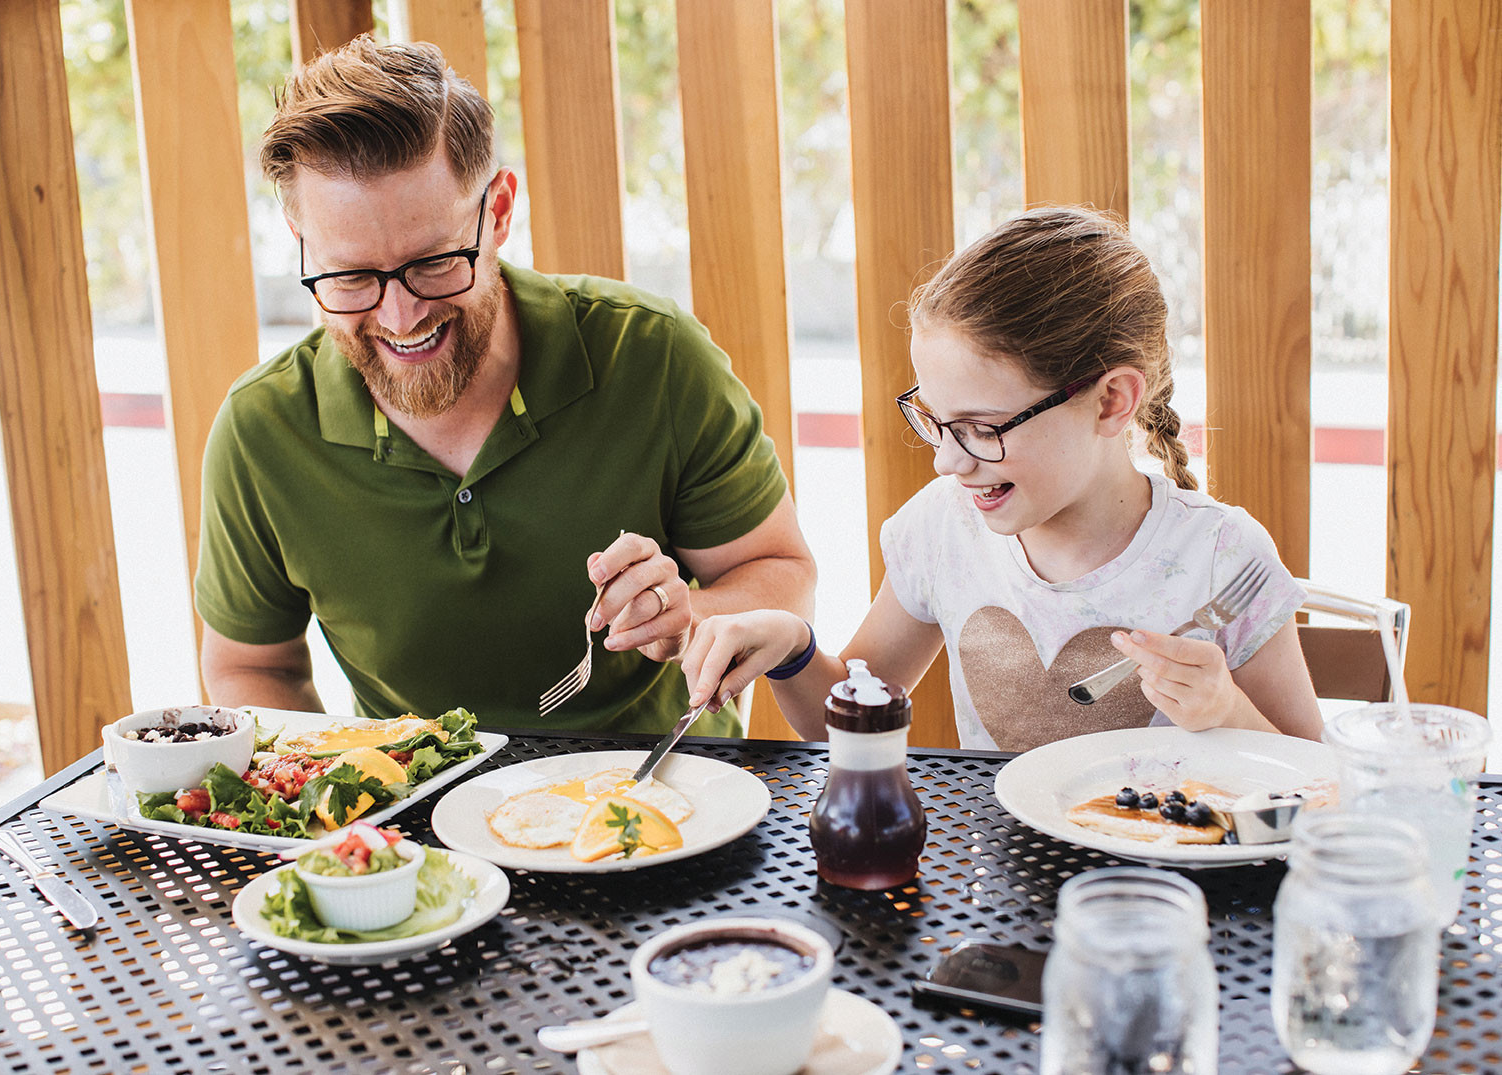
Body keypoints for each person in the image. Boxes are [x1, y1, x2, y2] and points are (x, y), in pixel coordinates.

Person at [194, 36, 814, 736]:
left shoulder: (653, 354)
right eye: (351, 275)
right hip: (413, 836)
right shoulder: (261, 430)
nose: (401, 317)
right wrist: (339, 801)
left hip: (669, 808)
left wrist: (688, 618)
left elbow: (780, 571)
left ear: (499, 211)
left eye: (433, 262)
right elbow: (254, 666)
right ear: (301, 240)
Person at [682, 207, 1322, 749]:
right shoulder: (945, 529)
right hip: (999, 892)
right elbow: (843, 727)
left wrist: (1226, 714)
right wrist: (794, 648)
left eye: (983, 426)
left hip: (1164, 893)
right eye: (937, 420)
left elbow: (1317, 795)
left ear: (1111, 401)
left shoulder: (1224, 561)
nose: (948, 461)